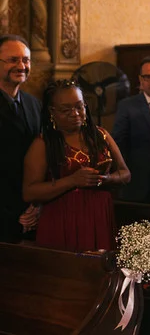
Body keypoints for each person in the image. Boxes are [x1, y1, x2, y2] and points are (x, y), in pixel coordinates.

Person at [23, 80, 130, 252]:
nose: (75, 113)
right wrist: (72, 180)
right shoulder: (44, 143)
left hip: (100, 214)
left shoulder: (101, 135)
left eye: (80, 106)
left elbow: (125, 173)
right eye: (66, 110)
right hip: (62, 217)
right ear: (52, 111)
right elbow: (29, 192)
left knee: (100, 274)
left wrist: (106, 179)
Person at [0, 35, 42, 243]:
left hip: (32, 212)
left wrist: (35, 207)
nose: (21, 66)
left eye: (26, 60)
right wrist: (11, 216)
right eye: (13, 60)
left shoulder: (34, 104)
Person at [112, 56, 150, 203]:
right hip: (137, 184)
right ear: (140, 80)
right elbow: (119, 144)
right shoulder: (127, 106)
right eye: (148, 77)